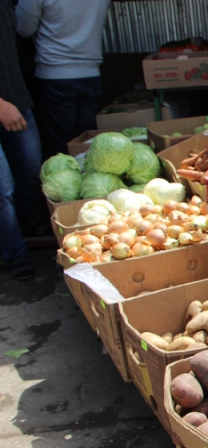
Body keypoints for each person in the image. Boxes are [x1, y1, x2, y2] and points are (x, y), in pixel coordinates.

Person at [16, 0, 112, 160]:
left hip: (55, 73)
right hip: (91, 71)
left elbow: (23, 28)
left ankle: (66, 182)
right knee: (87, 143)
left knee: (61, 146)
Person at [1, 0, 41, 281]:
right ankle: (15, 253)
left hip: (17, 102)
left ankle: (31, 222)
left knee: (30, 168)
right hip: (5, 106)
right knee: (2, 188)